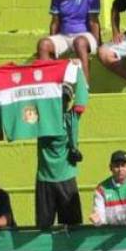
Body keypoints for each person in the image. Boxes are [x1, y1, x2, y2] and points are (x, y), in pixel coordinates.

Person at [37, 0, 101, 85]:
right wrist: (52, 40)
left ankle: (84, 87)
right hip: (64, 35)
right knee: (43, 44)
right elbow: (55, 21)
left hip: (84, 35)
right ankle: (49, 86)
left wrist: (97, 43)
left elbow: (94, 21)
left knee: (79, 42)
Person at [35, 87, 84, 229]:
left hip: (63, 178)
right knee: (43, 230)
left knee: (73, 228)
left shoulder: (68, 118)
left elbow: (83, 96)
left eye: (65, 99)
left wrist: (77, 69)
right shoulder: (42, 119)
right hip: (47, 179)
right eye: (59, 99)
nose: (62, 102)